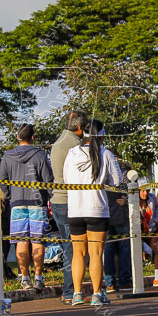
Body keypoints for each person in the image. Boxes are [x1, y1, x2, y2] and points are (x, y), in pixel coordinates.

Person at [63, 119, 122, 306]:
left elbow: (65, 179)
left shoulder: (71, 153)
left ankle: (77, 294)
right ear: (101, 135)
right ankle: (97, 294)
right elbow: (117, 181)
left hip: (75, 209)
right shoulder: (105, 153)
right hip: (97, 208)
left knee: (77, 254)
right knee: (96, 253)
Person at [0, 124, 54, 291]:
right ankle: (38, 277)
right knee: (38, 240)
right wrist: (49, 197)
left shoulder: (7, 157)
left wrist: (10, 197)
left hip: (17, 203)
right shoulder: (40, 155)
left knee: (21, 241)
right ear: (32, 137)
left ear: (18, 137)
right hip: (38, 203)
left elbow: (3, 181)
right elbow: (48, 180)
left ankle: (24, 277)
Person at [50, 109, 87, 304]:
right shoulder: (75, 145)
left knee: (68, 247)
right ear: (80, 127)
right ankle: (71, 289)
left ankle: (70, 289)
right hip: (70, 200)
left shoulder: (60, 141)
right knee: (74, 249)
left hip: (58, 200)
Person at [103, 161, 132, 291]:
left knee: (108, 251)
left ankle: (110, 282)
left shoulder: (100, 175)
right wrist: (126, 200)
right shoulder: (123, 175)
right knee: (124, 250)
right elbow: (131, 193)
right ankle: (124, 280)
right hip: (120, 217)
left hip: (106, 216)